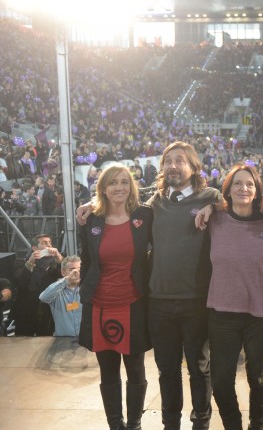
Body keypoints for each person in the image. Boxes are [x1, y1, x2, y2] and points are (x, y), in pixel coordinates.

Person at [79, 141, 222, 430]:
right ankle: (171, 424)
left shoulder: (211, 196)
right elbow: (120, 196)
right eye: (168, 161)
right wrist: (90, 204)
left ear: (194, 167)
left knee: (199, 368)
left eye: (180, 160)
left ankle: (201, 422)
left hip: (196, 300)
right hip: (158, 302)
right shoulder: (153, 204)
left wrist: (215, 206)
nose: (173, 166)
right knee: (167, 370)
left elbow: (239, 202)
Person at [79, 165, 154, 430]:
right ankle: (115, 425)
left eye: (124, 182)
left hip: (133, 304)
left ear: (131, 186)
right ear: (103, 188)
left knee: (136, 371)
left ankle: (134, 424)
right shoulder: (91, 220)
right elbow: (86, 261)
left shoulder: (144, 215)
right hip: (100, 306)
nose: (119, 187)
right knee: (108, 371)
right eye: (112, 183)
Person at [206, 164, 263, 430]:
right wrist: (210, 206)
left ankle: (257, 425)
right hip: (222, 312)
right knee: (220, 381)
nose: (243, 188)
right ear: (227, 189)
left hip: (260, 313)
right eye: (237, 183)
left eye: (249, 184)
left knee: (258, 377)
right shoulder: (215, 220)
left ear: (257, 190)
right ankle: (233, 425)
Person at [10, 233, 63, 336]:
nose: (49, 245)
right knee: (22, 341)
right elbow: (20, 282)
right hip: (25, 312)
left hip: (47, 312)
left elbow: (65, 273)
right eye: (44, 243)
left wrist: (58, 257)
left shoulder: (54, 265)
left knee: (46, 340)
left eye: (50, 243)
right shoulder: (21, 262)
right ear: (34, 248)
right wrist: (30, 262)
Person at [39, 255, 82, 337]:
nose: (76, 272)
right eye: (72, 270)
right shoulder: (56, 289)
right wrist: (67, 279)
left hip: (85, 339)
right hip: (63, 339)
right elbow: (43, 298)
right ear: (63, 272)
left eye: (79, 269)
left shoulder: (87, 289)